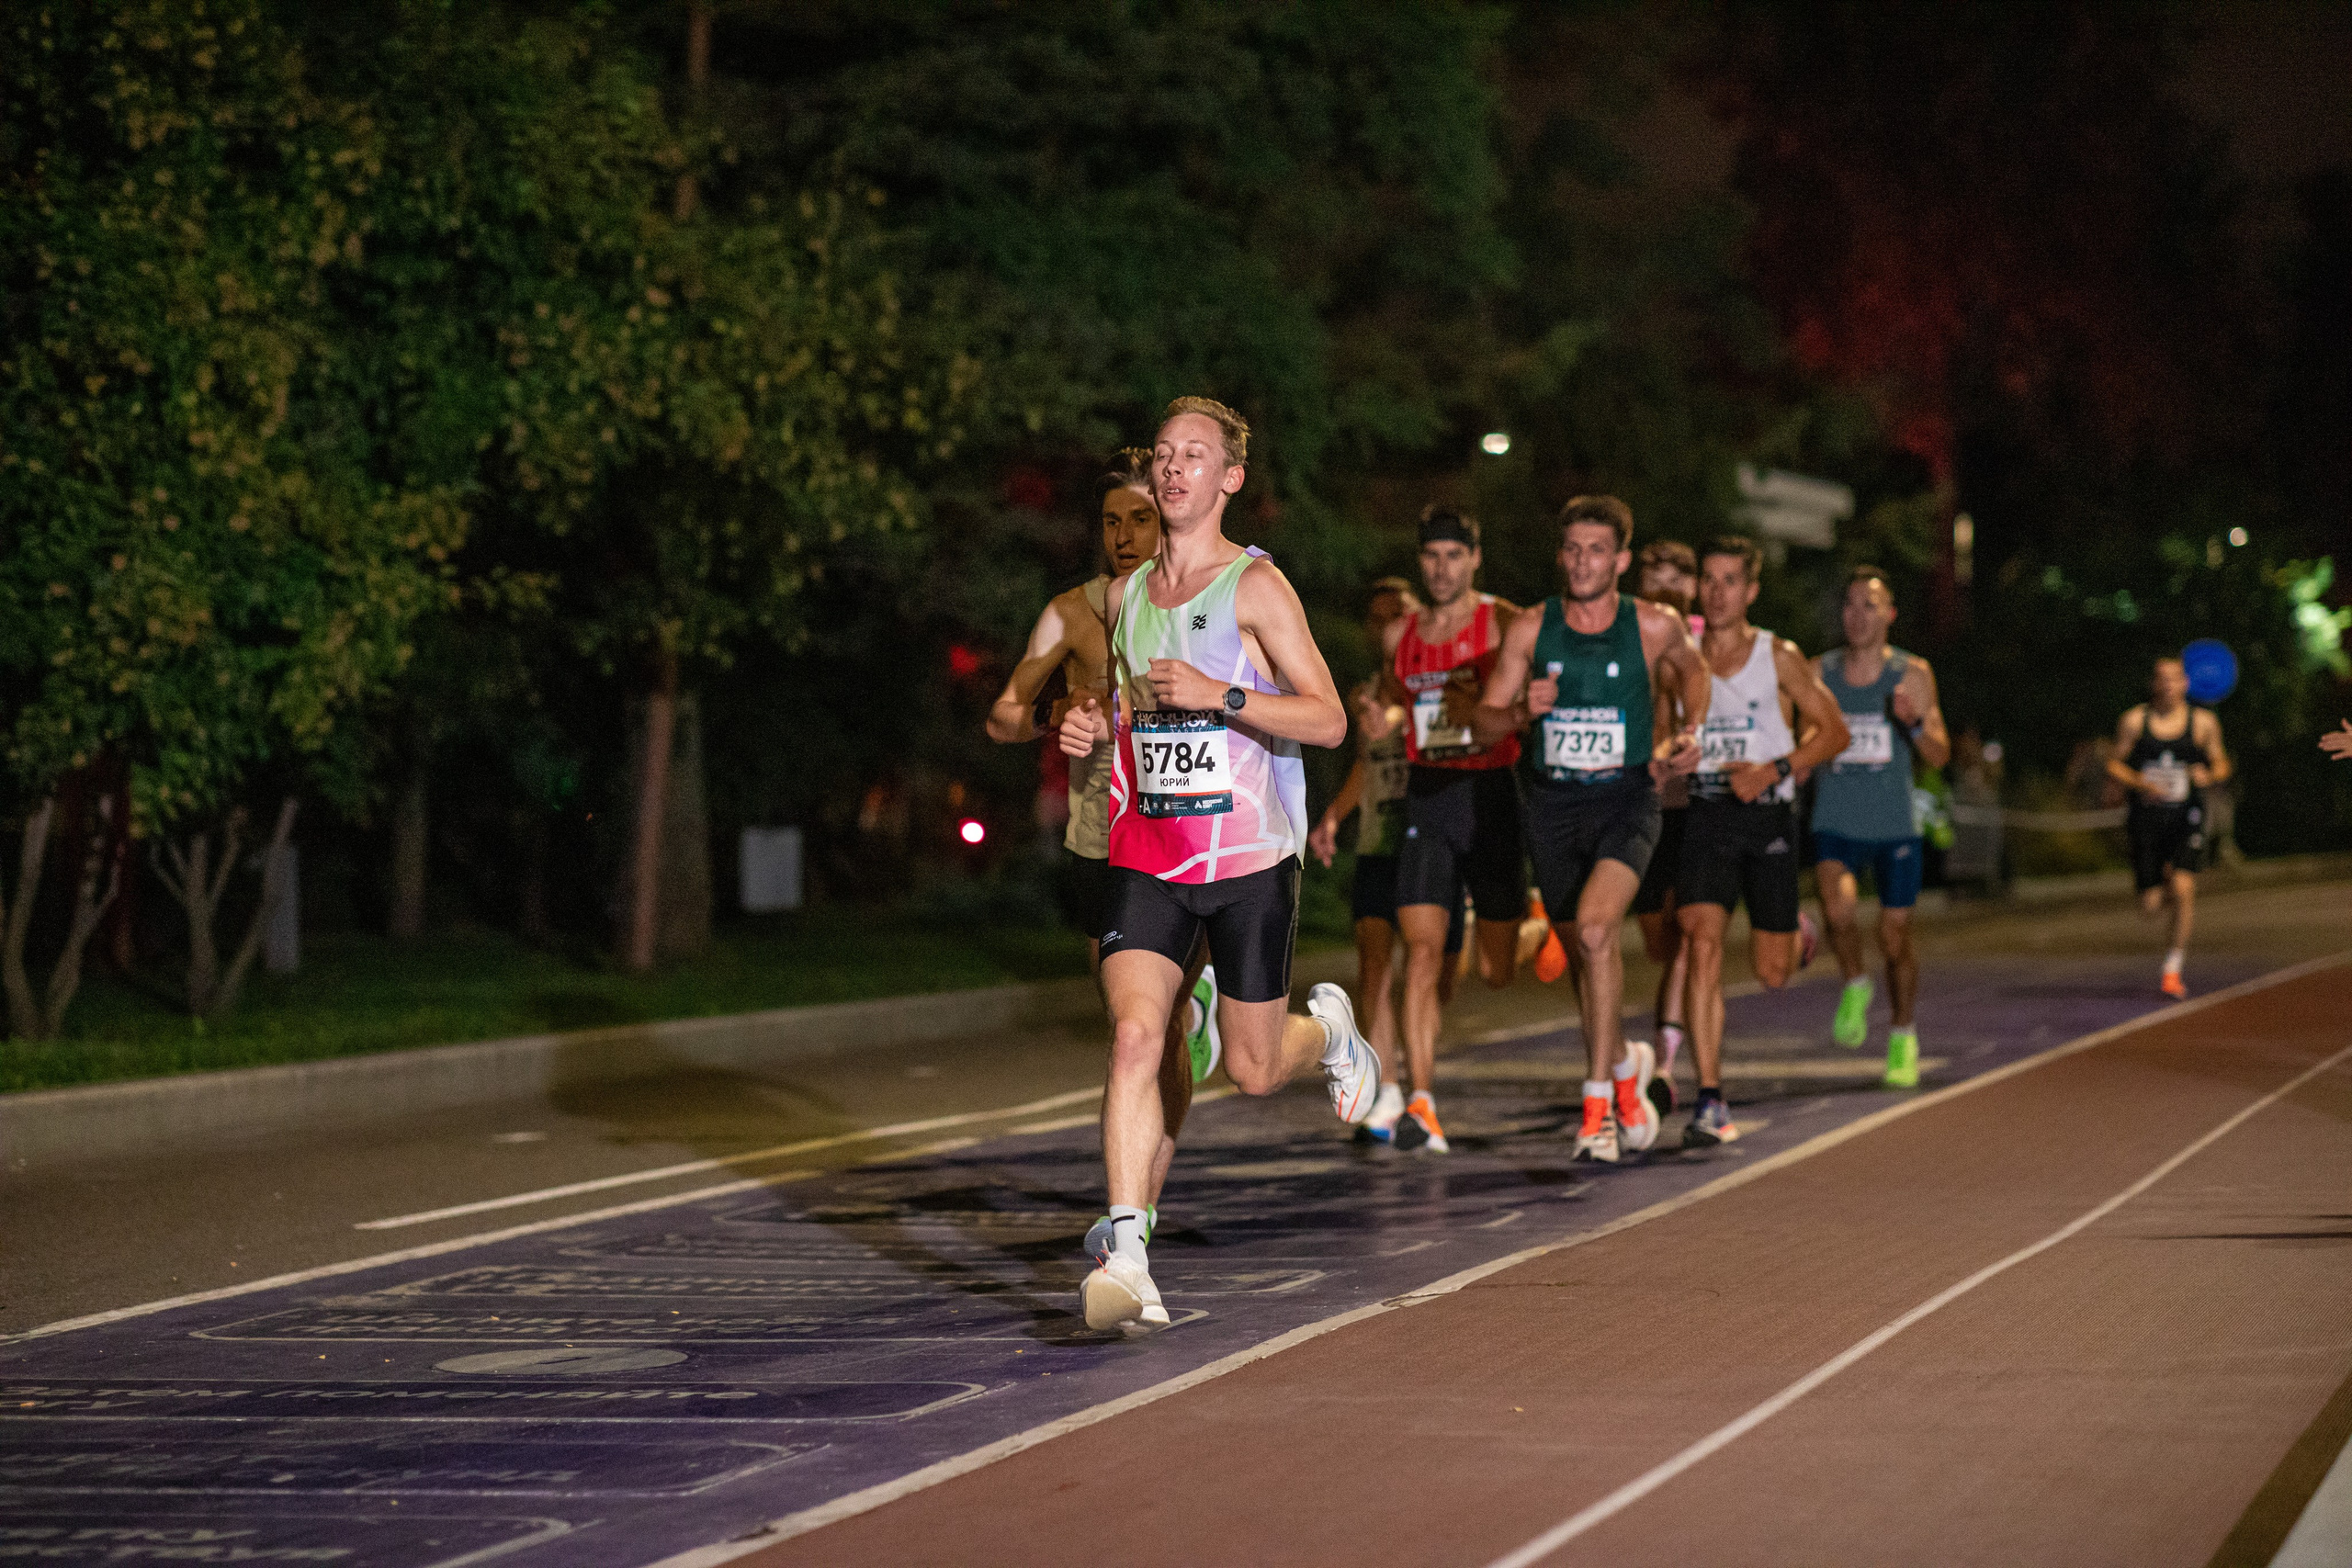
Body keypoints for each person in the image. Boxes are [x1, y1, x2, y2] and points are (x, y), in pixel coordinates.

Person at [1057, 397, 1374, 1331]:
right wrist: (1087, 727)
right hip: (1147, 853)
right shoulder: (1121, 599)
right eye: (1162, 454)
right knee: (1132, 1037)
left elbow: (1326, 719)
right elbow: (1125, 713)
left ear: (1230, 476)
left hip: (1246, 860)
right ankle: (1126, 1251)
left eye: (1193, 455)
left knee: (1253, 1069)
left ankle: (1328, 1032)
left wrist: (1223, 693)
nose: (1172, 468)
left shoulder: (1256, 590)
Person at [1474, 495, 1709, 1163]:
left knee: (1601, 932)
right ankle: (1626, 1064)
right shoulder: (1529, 626)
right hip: (1550, 806)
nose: (1583, 561)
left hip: (1626, 800)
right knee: (1585, 955)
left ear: (1621, 559)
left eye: (1597, 550)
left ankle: (1598, 1107)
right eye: (1572, 549)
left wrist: (1690, 729)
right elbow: (1484, 721)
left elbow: (1695, 671)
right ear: (1560, 555)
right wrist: (1522, 708)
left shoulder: (1653, 625)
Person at [1674, 537, 1847, 1145]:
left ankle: (1795, 931)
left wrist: (1774, 768)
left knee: (1771, 973)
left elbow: (1835, 732)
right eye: (1709, 579)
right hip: (1707, 812)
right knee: (1701, 943)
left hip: (1767, 814)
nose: (1717, 591)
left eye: (1729, 581)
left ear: (1750, 591)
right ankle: (1711, 1100)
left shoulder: (1778, 655)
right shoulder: (1680, 655)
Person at [1365, 507, 1527, 1154]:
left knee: (1495, 970)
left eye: (1453, 556)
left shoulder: (1506, 621)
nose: (1440, 568)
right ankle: (1422, 1102)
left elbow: (1540, 698)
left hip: (1492, 797)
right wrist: (1378, 715)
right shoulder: (1400, 634)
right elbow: (1391, 698)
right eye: (1431, 556)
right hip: (1429, 797)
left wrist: (1503, 713)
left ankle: (1530, 920)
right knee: (1421, 951)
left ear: (1475, 558)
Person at [1306, 578, 1470, 1145]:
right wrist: (1332, 816)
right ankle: (1390, 1091)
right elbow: (1366, 764)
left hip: (1430, 842)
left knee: (1438, 980)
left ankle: (1524, 925)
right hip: (1380, 843)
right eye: (1375, 618)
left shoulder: (1436, 682)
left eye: (1394, 614)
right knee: (1374, 970)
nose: (1384, 626)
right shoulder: (1365, 692)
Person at [1811, 567, 1951, 1089]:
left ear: (1890, 614)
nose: (1857, 616)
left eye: (1869, 606)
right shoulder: (1819, 671)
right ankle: (1854, 981)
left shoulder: (1911, 673)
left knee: (1895, 937)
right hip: (1837, 818)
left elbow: (1938, 754)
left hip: (1895, 824)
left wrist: (1913, 722)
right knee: (1838, 909)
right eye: (1849, 605)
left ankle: (1902, 1032)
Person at [2105, 656, 2232, 998]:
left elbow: (2221, 762)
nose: (2168, 685)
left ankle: (2172, 970)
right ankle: (2159, 882)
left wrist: (2210, 774)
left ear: (2186, 684)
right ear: (2153, 684)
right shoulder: (2134, 721)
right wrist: (2140, 783)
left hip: (2186, 817)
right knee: (2149, 906)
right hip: (2145, 822)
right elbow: (2114, 764)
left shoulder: (2202, 723)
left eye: (2175, 679)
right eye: (2162, 679)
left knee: (2184, 888)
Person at [1627, 539, 1700, 1113]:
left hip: (1701, 805)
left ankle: (1665, 1061)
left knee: (1690, 931)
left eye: (1682, 573)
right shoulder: (1625, 633)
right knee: (1659, 940)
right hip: (1643, 801)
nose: (1669, 581)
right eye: (1657, 569)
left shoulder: (1710, 640)